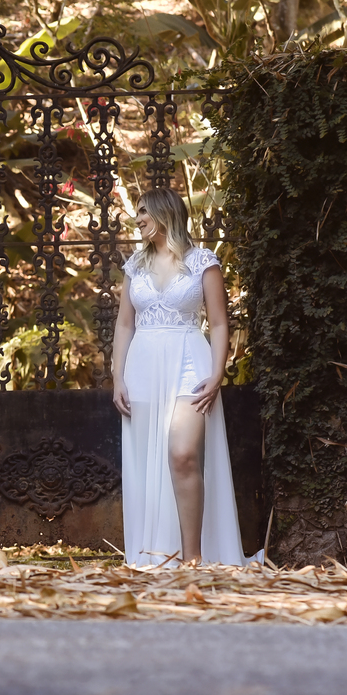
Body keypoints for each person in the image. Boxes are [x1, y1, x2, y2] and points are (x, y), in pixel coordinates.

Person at [112, 187, 252, 567]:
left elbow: (220, 323)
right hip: (142, 366)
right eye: (137, 212)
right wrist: (117, 377)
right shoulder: (134, 267)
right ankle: (156, 553)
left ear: (165, 214)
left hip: (190, 363)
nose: (138, 219)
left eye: (144, 212)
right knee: (148, 463)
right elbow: (125, 325)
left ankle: (193, 559)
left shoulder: (202, 262)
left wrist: (218, 372)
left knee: (183, 454)